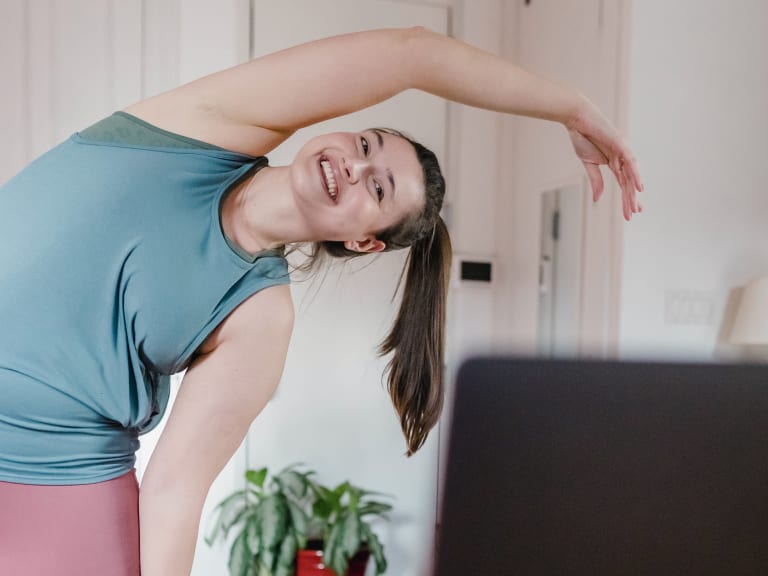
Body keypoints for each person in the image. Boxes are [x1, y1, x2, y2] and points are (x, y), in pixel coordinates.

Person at [0, 27, 643, 576]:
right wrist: (571, 107)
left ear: (363, 241)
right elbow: (414, 53)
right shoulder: (206, 127)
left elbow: (175, 488)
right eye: (367, 146)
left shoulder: (260, 317)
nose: (356, 167)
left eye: (380, 188)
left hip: (54, 490)